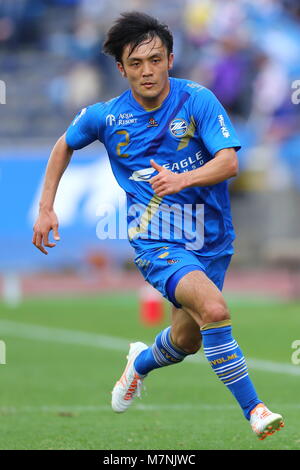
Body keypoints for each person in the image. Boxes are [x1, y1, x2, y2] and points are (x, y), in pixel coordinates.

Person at [32, 11, 284, 440]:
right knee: (216, 311)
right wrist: (46, 207)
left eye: (154, 59)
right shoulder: (106, 117)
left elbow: (229, 162)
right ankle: (255, 410)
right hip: (157, 240)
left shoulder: (197, 100)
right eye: (136, 63)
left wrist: (181, 178)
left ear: (170, 58)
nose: (146, 71)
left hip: (213, 238)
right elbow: (63, 144)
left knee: (187, 340)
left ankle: (139, 363)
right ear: (121, 69)